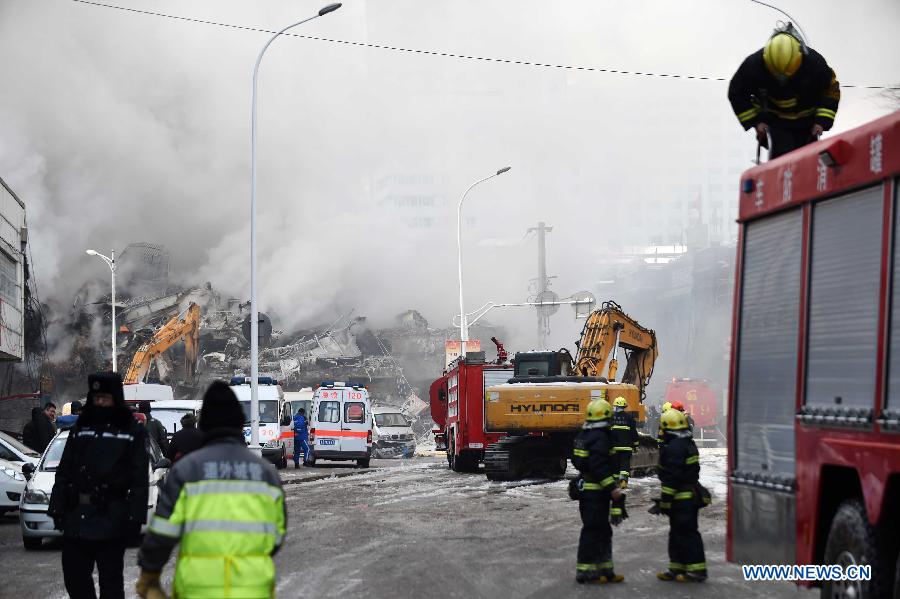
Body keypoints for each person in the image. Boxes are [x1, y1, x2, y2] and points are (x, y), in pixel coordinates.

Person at [136, 381, 287, 599]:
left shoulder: (186, 471)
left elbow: (163, 532)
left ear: (204, 424)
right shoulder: (266, 474)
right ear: (238, 423)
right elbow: (276, 535)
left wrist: (149, 573)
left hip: (197, 589)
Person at [48, 372, 149, 599]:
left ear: (115, 398)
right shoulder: (81, 428)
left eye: (105, 398)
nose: (100, 403)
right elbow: (64, 471)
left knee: (111, 584)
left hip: (111, 518)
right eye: (96, 398)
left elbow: (140, 479)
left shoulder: (131, 431)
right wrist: (57, 506)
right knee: (74, 578)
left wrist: (135, 518)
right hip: (77, 517)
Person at [729, 22, 840, 158]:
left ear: (799, 58)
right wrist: (756, 122)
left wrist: (822, 121)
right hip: (774, 123)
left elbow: (831, 90)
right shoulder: (753, 66)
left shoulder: (814, 64)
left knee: (807, 161)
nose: (782, 80)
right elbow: (736, 93)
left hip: (807, 124)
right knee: (784, 159)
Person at [571, 398, 625, 584]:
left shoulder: (583, 435)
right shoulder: (601, 437)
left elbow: (580, 462)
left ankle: (605, 571)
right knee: (594, 531)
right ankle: (587, 572)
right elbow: (598, 465)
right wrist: (613, 488)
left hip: (588, 491)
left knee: (601, 530)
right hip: (596, 493)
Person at [653, 408, 708, 582]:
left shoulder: (675, 448)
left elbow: (672, 477)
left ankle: (697, 570)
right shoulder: (687, 443)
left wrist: (666, 500)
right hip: (687, 495)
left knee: (687, 533)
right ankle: (677, 568)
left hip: (682, 497)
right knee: (678, 532)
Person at [610, 396, 639, 526]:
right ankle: (623, 482)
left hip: (614, 447)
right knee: (625, 465)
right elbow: (634, 433)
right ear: (625, 406)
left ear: (616, 406)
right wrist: (636, 444)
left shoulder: (611, 418)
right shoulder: (629, 418)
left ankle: (616, 482)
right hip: (626, 447)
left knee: (615, 466)